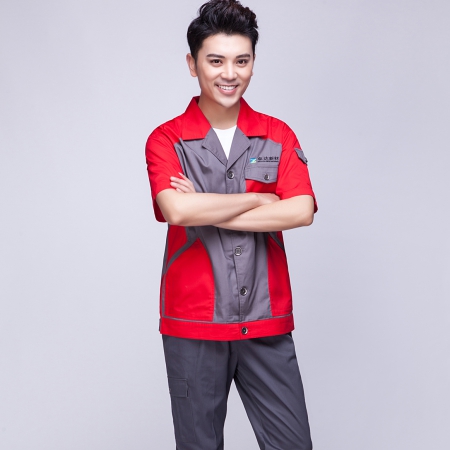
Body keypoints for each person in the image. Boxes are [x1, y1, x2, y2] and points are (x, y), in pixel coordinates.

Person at [145, 1, 317, 448]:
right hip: (193, 323)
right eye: (216, 61)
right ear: (193, 64)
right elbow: (178, 211)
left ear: (253, 63)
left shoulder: (277, 135)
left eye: (241, 61)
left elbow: (301, 211)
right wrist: (259, 197)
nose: (229, 73)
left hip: (265, 320)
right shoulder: (167, 140)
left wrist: (207, 204)